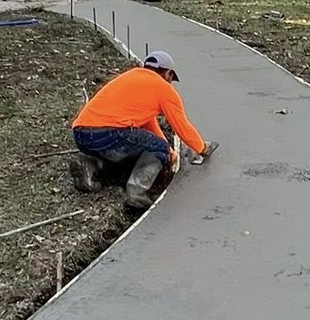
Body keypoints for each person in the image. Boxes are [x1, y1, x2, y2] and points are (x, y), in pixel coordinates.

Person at [70, 49, 216, 209]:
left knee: (140, 150)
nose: (170, 82)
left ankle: (93, 166)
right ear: (167, 73)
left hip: (81, 135)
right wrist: (202, 148)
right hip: (109, 133)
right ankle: (136, 193)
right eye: (171, 78)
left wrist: (170, 152)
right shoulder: (164, 89)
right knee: (156, 148)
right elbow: (182, 127)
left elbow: (148, 124)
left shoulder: (131, 77)